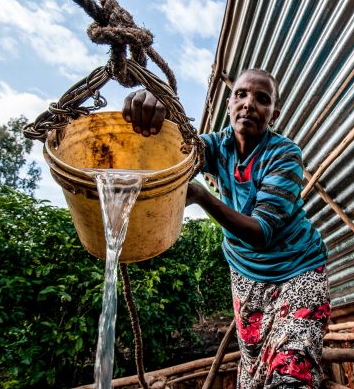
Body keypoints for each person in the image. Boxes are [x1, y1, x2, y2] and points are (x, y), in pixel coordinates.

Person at [123, 69, 330, 389]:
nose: (249, 104)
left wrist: (203, 197)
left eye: (262, 99)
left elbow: (262, 232)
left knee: (291, 370)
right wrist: (153, 116)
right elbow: (175, 155)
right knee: (252, 362)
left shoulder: (284, 155)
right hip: (244, 273)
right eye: (241, 94)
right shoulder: (216, 146)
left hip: (297, 268)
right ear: (229, 104)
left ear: (275, 113)